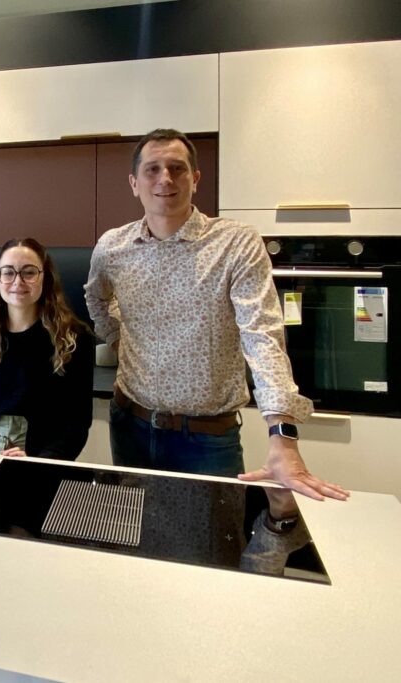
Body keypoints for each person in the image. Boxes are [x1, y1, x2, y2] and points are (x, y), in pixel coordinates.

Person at [84, 128, 349, 502]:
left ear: (195, 179)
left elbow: (262, 334)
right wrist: (118, 338)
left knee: (215, 537)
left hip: (207, 439)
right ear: (134, 183)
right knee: (135, 532)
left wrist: (283, 434)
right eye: (152, 169)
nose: (165, 178)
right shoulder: (112, 247)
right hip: (131, 425)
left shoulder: (235, 242)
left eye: (177, 168)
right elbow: (95, 298)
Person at [0, 238, 93, 459]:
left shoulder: (73, 340)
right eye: (8, 272)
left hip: (43, 468)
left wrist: (40, 462)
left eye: (29, 272)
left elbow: (76, 423)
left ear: (45, 277)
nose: (18, 282)